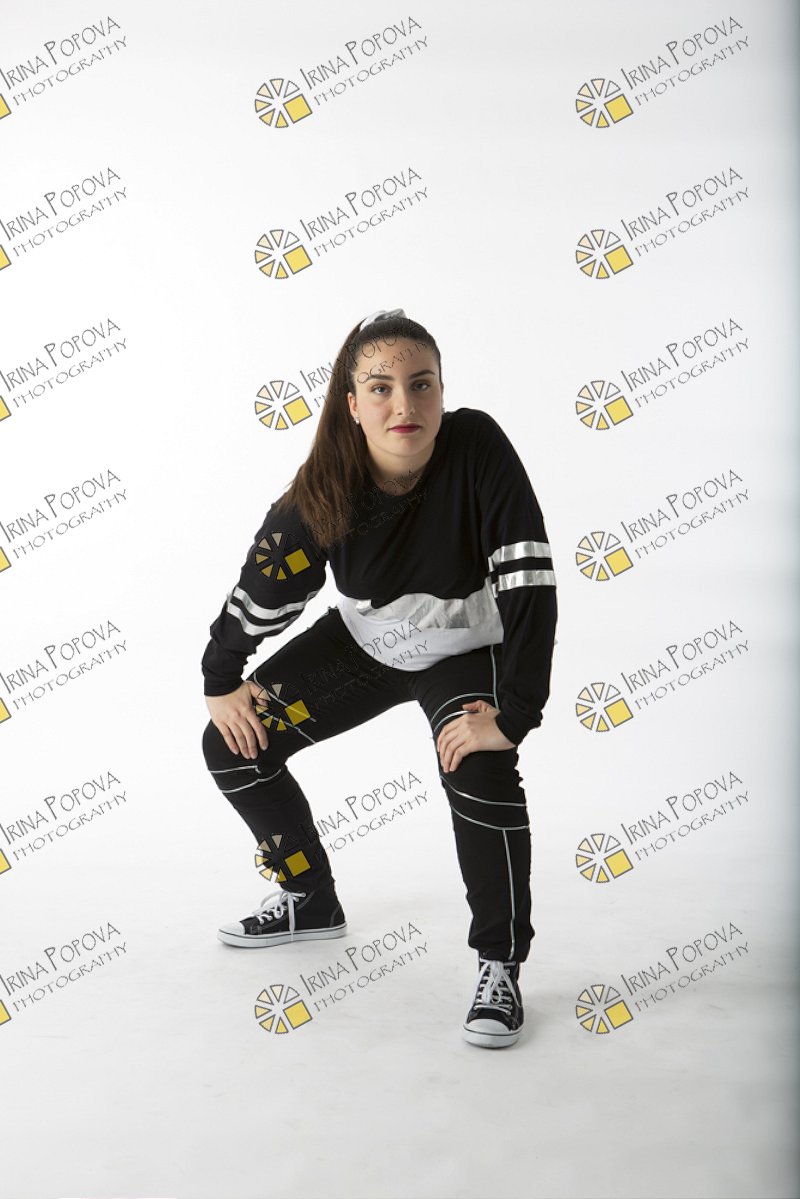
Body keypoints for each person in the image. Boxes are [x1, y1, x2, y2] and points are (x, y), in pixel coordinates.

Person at [200, 309, 558, 1049]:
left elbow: (529, 576)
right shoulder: (324, 488)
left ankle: (500, 963)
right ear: (352, 404)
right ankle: (309, 898)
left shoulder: (477, 445)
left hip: (466, 650)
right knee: (232, 745)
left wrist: (515, 712)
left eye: (422, 384)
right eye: (381, 387)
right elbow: (266, 589)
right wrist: (221, 674)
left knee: (479, 764)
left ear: (442, 392)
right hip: (366, 646)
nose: (405, 404)